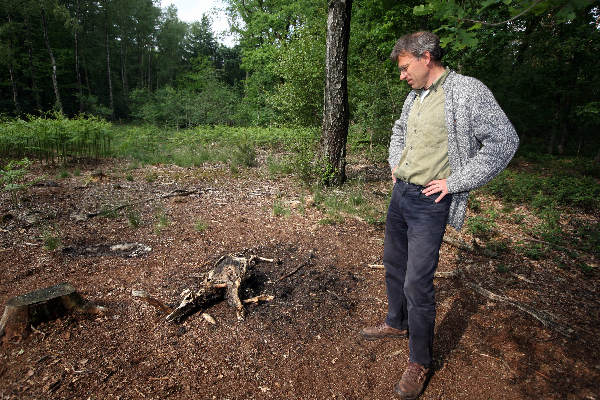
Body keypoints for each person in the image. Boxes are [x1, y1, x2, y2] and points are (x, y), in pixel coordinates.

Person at [360, 31, 519, 399]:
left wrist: (457, 181)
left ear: (426, 57)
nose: (401, 75)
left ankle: (420, 360)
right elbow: (400, 130)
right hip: (400, 195)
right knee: (393, 265)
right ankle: (396, 322)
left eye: (404, 67)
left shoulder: (467, 91)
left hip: (429, 202)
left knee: (418, 282)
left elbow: (504, 140)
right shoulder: (415, 95)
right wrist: (395, 162)